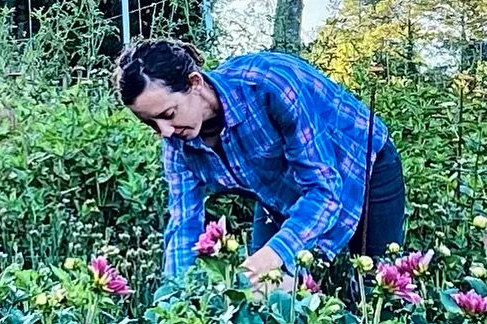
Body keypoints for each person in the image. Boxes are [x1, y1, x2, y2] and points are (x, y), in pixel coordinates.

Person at [115, 38, 406, 288]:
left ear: (194, 83)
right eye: (150, 123)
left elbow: (324, 190)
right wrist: (174, 300)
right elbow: (183, 225)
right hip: (279, 192)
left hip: (361, 165)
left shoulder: (270, 85)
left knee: (377, 288)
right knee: (263, 295)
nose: (164, 132)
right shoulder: (178, 144)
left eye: (167, 114)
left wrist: (276, 252)